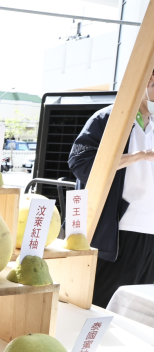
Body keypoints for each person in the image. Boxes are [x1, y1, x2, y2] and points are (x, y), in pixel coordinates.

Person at [69, 69, 154, 308]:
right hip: (118, 231)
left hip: (150, 233)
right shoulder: (108, 118)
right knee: (100, 306)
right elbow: (80, 163)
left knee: (137, 312)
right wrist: (139, 155)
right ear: (148, 79)